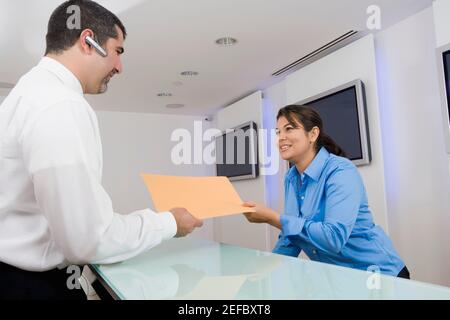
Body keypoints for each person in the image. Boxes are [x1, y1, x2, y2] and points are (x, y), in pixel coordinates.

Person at [0, 0, 202, 300]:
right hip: (32, 287)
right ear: (88, 41)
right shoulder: (61, 104)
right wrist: (170, 222)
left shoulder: (27, 93)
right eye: (118, 51)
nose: (119, 67)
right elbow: (88, 240)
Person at [243, 105, 409, 279]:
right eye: (278, 132)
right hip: (340, 279)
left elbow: (333, 238)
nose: (281, 138)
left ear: (313, 134)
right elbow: (291, 235)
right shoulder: (291, 177)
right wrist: (267, 267)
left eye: (289, 129)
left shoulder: (340, 170)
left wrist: (272, 218)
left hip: (379, 275)